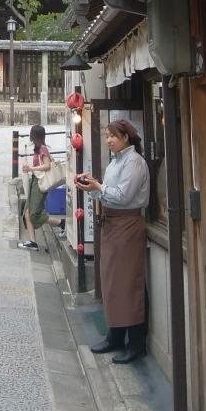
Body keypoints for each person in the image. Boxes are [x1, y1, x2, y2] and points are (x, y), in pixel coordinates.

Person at [74, 119, 151, 363]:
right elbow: (108, 193)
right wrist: (92, 188)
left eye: (113, 136)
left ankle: (136, 343)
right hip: (112, 225)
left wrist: (98, 187)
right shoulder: (116, 162)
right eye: (107, 136)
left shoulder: (134, 162)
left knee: (128, 283)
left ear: (126, 137)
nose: (108, 140)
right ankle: (115, 335)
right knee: (112, 282)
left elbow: (123, 196)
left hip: (127, 225)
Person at [18, 124, 62, 250]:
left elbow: (47, 166)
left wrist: (31, 168)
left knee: (34, 215)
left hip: (40, 184)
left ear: (34, 135)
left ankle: (61, 223)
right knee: (27, 212)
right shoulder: (38, 148)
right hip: (35, 182)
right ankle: (33, 242)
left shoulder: (43, 148)